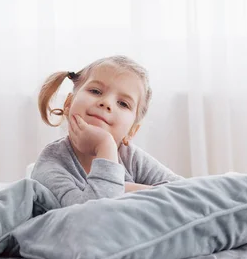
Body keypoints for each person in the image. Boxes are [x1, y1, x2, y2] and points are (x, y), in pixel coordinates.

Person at [31, 55, 182, 207]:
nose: (106, 103)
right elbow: (91, 217)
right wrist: (105, 146)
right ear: (68, 104)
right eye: (96, 91)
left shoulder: (130, 157)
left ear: (131, 132)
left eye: (123, 104)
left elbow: (187, 194)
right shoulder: (52, 164)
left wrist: (125, 189)